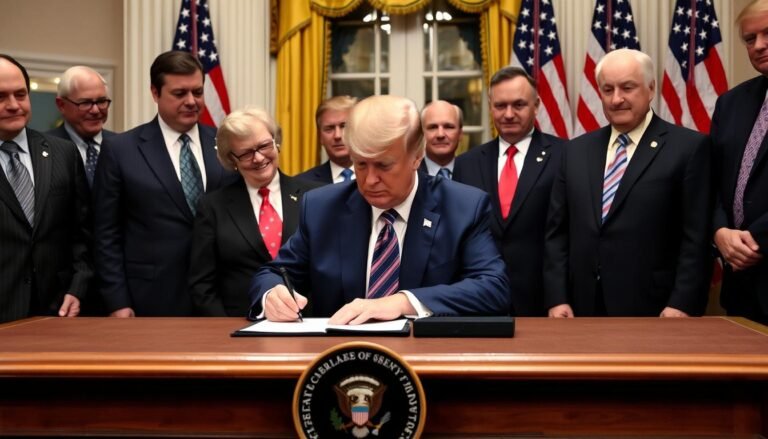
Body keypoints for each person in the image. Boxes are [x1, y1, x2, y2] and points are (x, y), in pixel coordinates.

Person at [249, 94, 509, 324]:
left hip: (429, 362)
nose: (369, 180)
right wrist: (272, 295)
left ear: (417, 155)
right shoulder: (322, 208)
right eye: (360, 164)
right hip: (338, 361)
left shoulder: (463, 207)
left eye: (384, 165)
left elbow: (493, 288)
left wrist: (402, 302)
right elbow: (272, 273)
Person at [544, 48, 711, 318]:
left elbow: (696, 238)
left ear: (651, 88)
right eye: (607, 89)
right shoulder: (575, 151)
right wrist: (557, 297)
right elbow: (557, 233)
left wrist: (682, 303)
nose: (616, 99)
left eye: (627, 87)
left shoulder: (688, 149)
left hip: (656, 308)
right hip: (580, 306)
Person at [93, 50, 235, 317]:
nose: (192, 101)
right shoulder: (121, 149)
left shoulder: (226, 143)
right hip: (150, 297)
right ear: (155, 93)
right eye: (180, 94)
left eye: (197, 92)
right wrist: (117, 302)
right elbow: (106, 235)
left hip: (220, 297)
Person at [453, 67, 564, 316]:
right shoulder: (467, 163)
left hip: (543, 299)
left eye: (519, 105)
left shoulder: (564, 156)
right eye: (500, 106)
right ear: (490, 106)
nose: (509, 114)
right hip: (479, 298)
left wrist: (560, 297)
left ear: (536, 105)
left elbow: (568, 233)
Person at [188, 108, 320, 316]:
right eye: (246, 153)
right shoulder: (213, 206)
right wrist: (224, 331)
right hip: (240, 327)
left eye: (264, 146)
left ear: (276, 143)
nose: (258, 158)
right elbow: (202, 285)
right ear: (232, 160)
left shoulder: (315, 197)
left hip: (308, 326)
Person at [0, 54, 92, 323]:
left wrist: (78, 288)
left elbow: (82, 234)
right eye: (1, 97)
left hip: (57, 314)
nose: (14, 105)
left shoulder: (62, 152)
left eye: (21, 94)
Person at [711, 0, 768, 325]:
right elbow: (713, 182)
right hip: (741, 287)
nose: (758, 45)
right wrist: (720, 231)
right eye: (750, 38)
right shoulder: (731, 103)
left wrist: (754, 238)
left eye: (767, 33)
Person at [47, 66, 116, 188]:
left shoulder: (124, 146)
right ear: (61, 105)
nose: (95, 110)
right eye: (85, 103)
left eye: (101, 101)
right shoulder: (44, 148)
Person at [297, 95, 357, 184]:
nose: (337, 136)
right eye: (329, 128)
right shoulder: (301, 184)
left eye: (344, 126)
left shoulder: (379, 177)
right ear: (320, 136)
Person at [418, 100, 462, 179]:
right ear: (421, 134)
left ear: (460, 133)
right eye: (433, 127)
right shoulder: (410, 175)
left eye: (448, 127)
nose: (440, 134)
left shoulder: (474, 173)